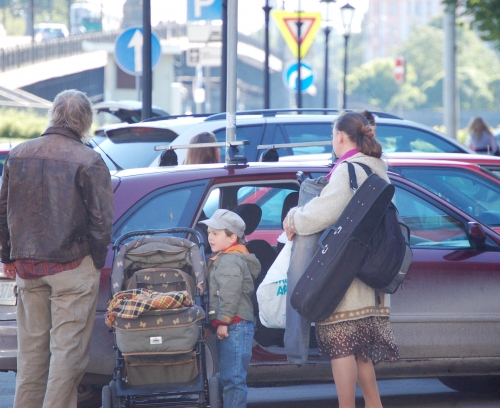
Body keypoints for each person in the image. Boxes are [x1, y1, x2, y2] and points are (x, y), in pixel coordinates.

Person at [0, 89, 114, 408]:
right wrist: (96, 261)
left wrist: (8, 257)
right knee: (67, 355)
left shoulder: (19, 153)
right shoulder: (89, 160)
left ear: (53, 115)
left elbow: (3, 209)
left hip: (27, 266)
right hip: (71, 266)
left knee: (31, 356)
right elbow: (101, 221)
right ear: (86, 121)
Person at [283, 111, 399, 408]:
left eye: (333, 136)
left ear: (340, 137)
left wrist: (293, 218)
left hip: (345, 275)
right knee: (360, 351)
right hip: (372, 274)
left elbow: (321, 214)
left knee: (341, 346)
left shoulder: (348, 169)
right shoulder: (378, 167)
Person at [199, 209, 260, 408]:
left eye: (215, 233)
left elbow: (229, 293)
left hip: (234, 326)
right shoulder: (226, 257)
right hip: (232, 326)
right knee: (229, 378)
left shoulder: (230, 260)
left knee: (233, 381)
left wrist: (223, 321)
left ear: (232, 237)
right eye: (208, 232)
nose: (210, 237)